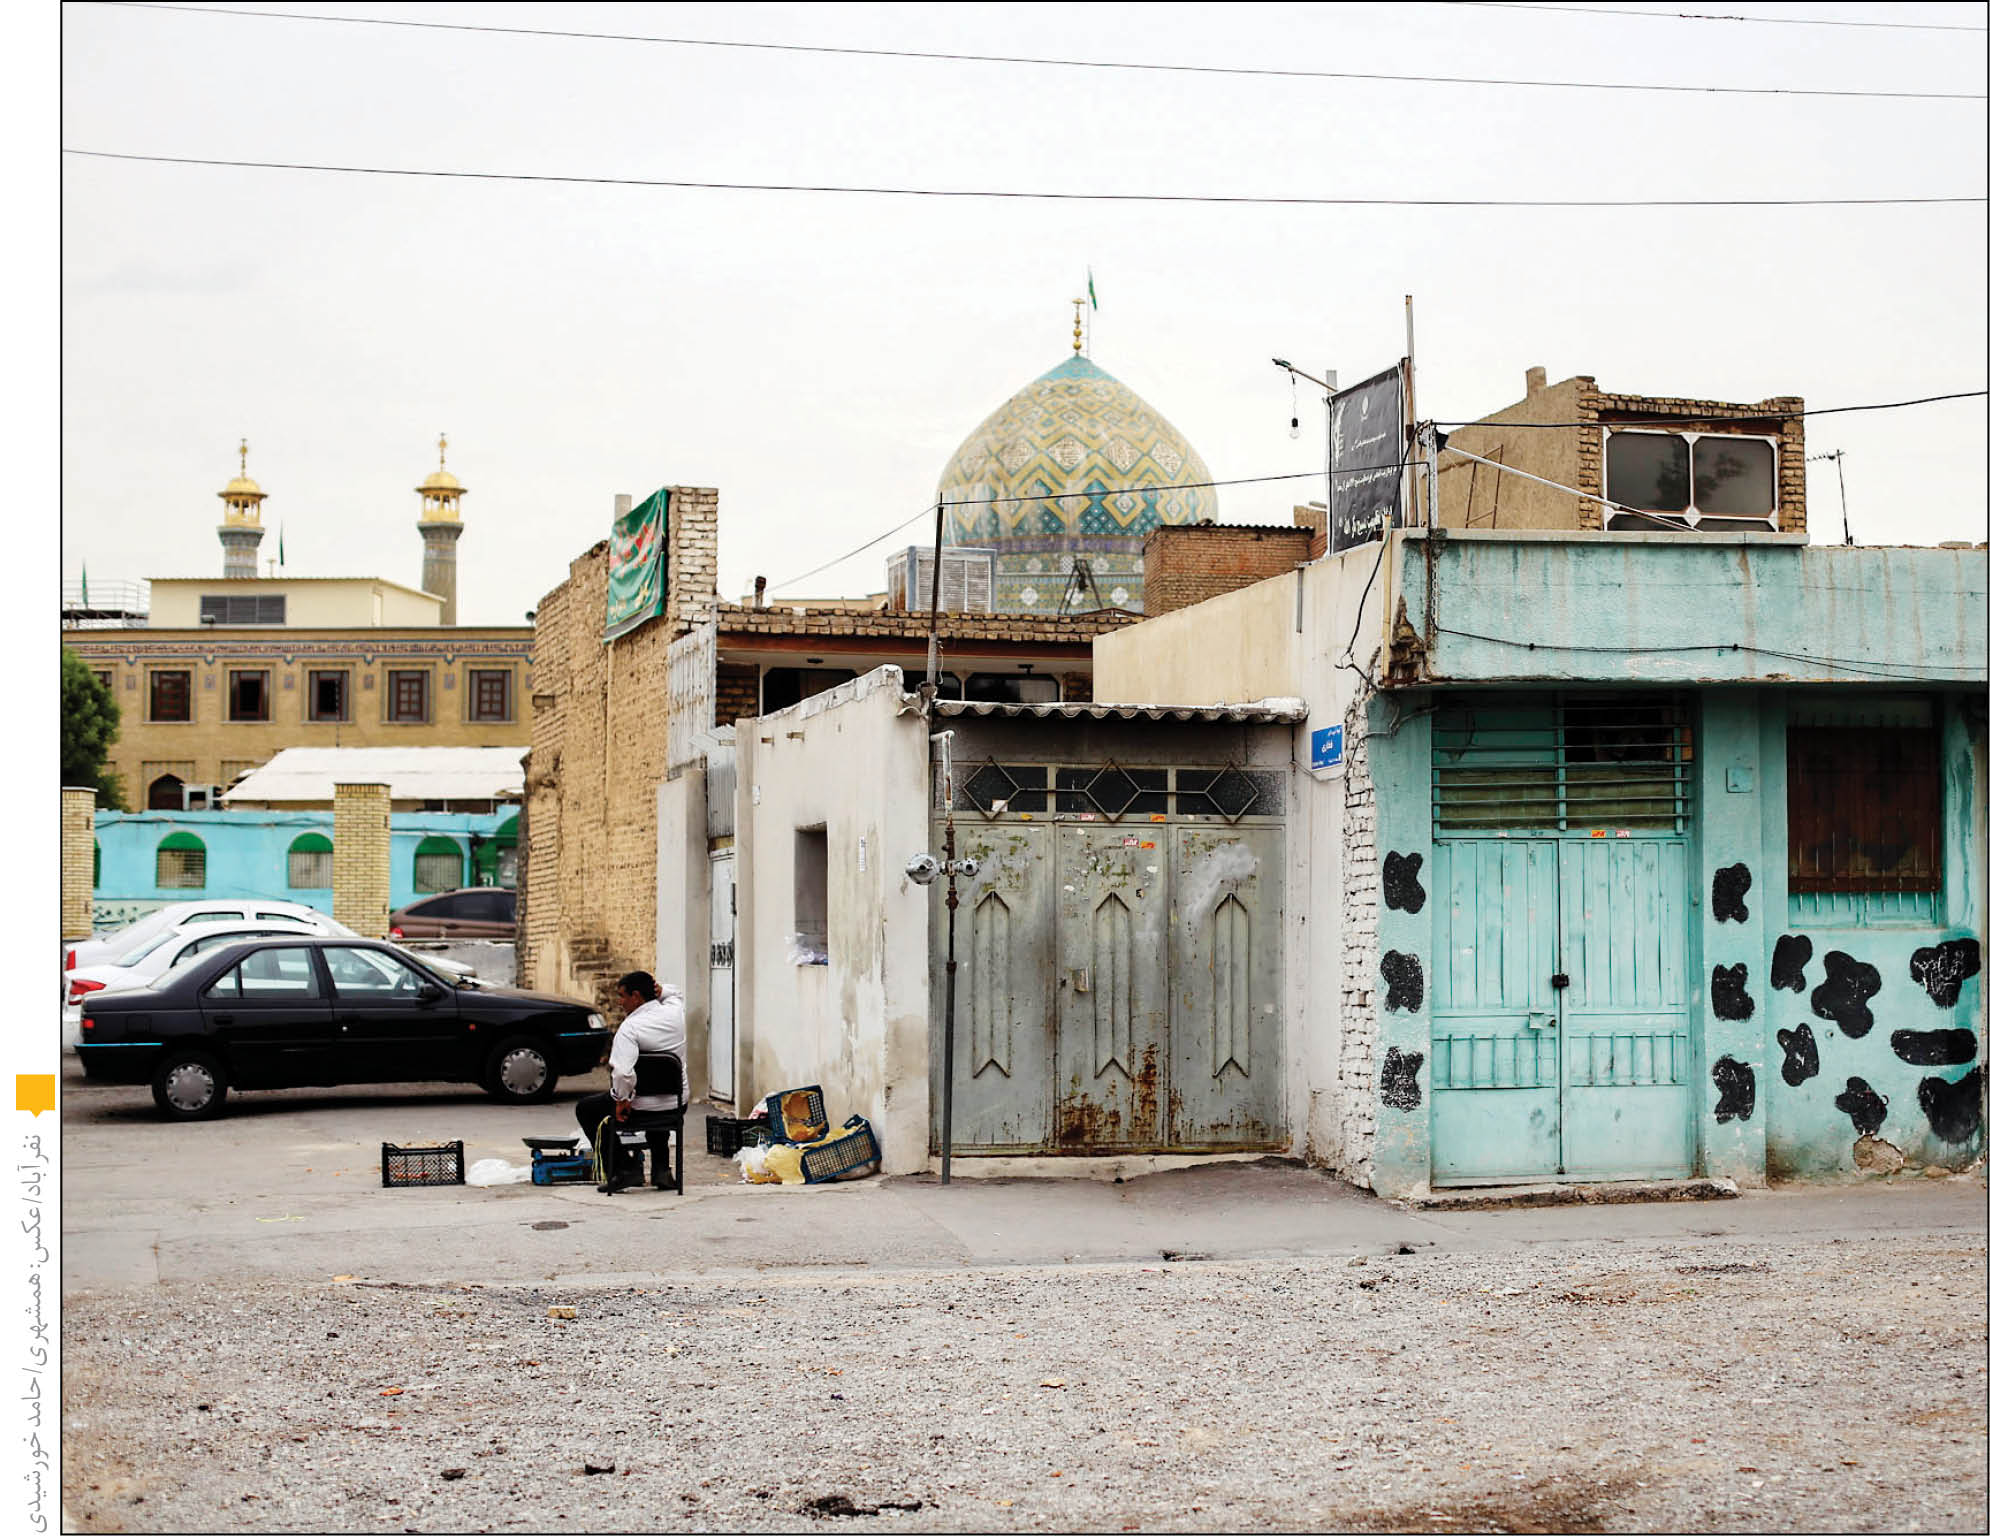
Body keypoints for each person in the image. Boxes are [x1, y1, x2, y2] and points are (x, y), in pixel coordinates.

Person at [573, 970, 686, 1154]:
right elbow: (676, 994)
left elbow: (622, 1073)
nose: (619, 1002)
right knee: (656, 1099)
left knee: (586, 1109)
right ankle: (661, 1170)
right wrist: (662, 990)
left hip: (641, 1106)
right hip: (677, 1103)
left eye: (622, 996)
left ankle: (623, 1168)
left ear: (636, 996)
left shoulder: (630, 1028)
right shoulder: (675, 1012)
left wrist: (622, 1100)